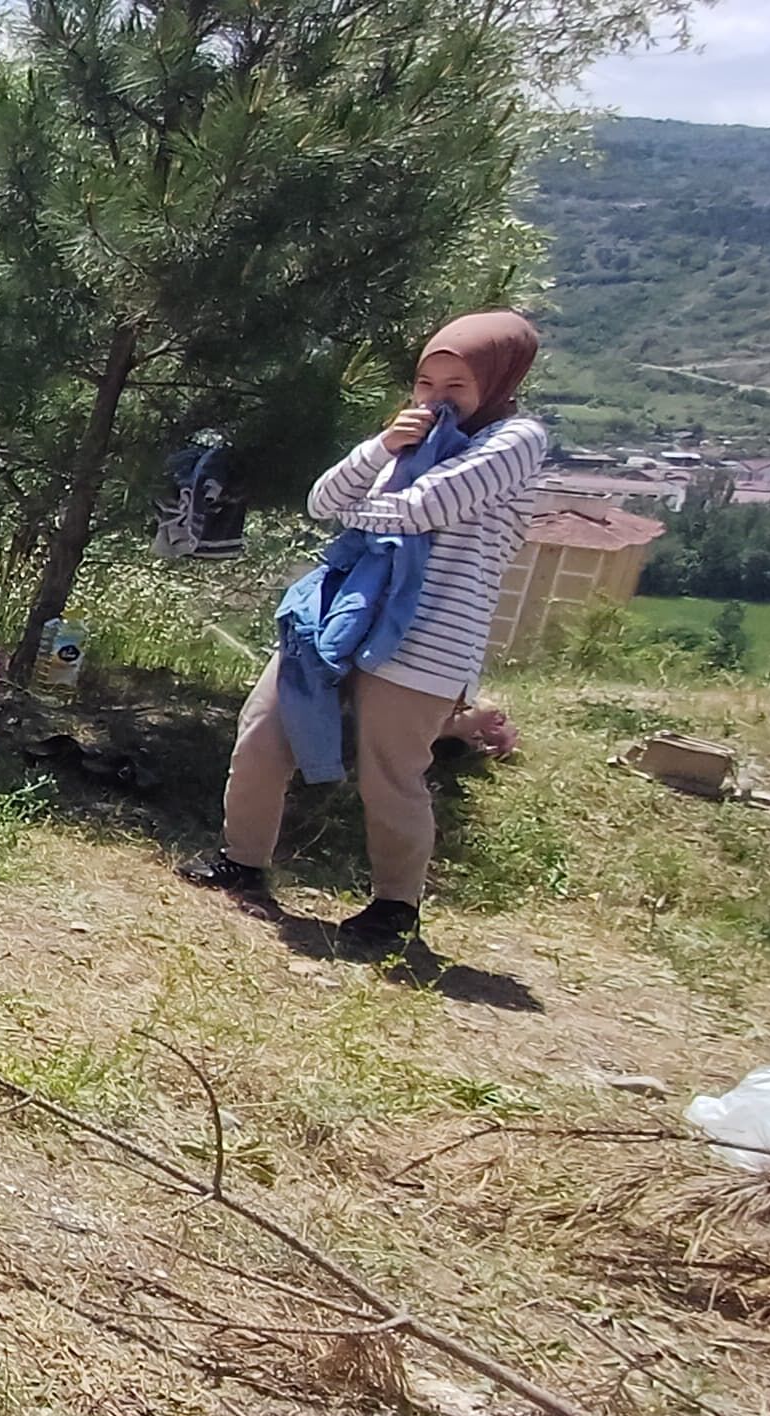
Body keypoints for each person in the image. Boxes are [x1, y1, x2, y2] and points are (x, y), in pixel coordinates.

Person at [178, 311, 549, 944]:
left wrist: (368, 507)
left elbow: (428, 507)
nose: (436, 402)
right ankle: (242, 860)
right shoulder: (401, 446)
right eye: (425, 385)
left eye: (456, 388)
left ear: (497, 381)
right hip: (337, 617)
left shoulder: (517, 441)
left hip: (428, 639)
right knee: (264, 733)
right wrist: (381, 448)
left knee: (391, 774)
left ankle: (395, 908)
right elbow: (324, 500)